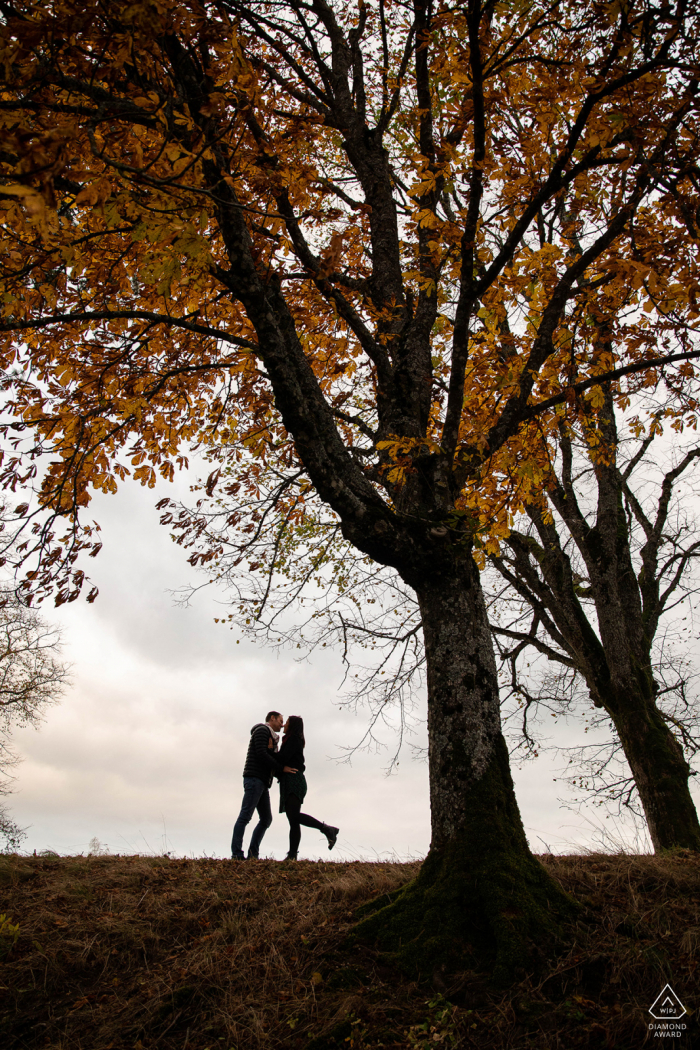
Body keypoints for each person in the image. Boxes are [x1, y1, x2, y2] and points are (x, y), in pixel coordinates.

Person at [230, 711, 297, 859]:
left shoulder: (271, 736)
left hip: (262, 781)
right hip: (255, 778)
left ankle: (253, 854)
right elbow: (261, 754)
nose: (282, 724)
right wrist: (281, 768)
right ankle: (236, 853)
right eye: (280, 720)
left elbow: (266, 755)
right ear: (272, 718)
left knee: (266, 819)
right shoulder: (262, 730)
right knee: (245, 815)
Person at [277, 715, 339, 860]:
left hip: (294, 780)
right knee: (293, 820)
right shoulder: (290, 739)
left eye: (286, 722)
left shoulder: (293, 739)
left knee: (294, 816)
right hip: (289, 780)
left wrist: (269, 750)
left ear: (291, 726)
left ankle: (327, 829)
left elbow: (282, 758)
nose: (284, 725)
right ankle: (292, 855)